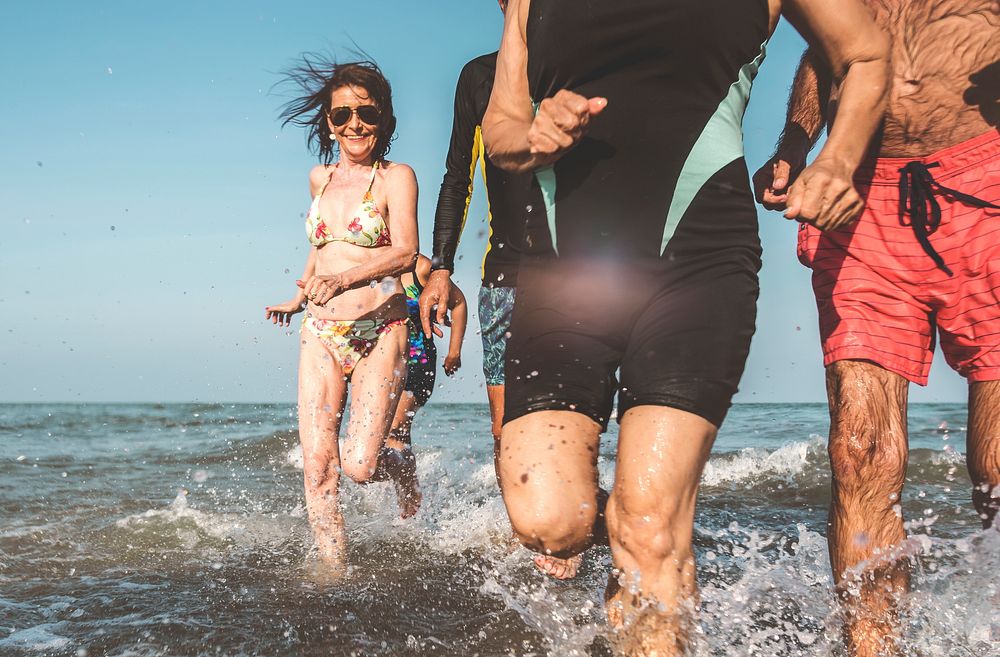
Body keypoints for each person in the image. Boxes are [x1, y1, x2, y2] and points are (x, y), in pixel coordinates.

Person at [482, 0, 889, 653]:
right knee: (551, 521)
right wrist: (531, 132)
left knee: (647, 526)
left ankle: (651, 531)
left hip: (698, 264)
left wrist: (837, 159)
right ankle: (641, 521)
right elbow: (500, 124)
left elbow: (864, 52)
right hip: (565, 272)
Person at [753, 2, 1000, 655]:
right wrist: (794, 144)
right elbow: (822, 51)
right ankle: (870, 646)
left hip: (988, 179)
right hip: (859, 197)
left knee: (998, 464)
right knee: (860, 449)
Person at [420, 0, 585, 580]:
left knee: (572, 418)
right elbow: (457, 175)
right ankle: (533, 545)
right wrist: (440, 265)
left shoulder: (585, 65)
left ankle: (573, 540)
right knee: (505, 428)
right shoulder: (479, 77)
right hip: (505, 277)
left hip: (582, 277)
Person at [265, 58, 420, 572]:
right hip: (321, 328)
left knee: (357, 466)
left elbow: (404, 252)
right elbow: (322, 244)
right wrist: (302, 291)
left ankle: (398, 462)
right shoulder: (319, 178)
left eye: (367, 114)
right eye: (343, 114)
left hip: (382, 327)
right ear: (329, 123)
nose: (355, 124)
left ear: (385, 120)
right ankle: (334, 569)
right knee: (318, 466)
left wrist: (344, 280)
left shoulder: (397, 178)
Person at [382, 253, 468, 518]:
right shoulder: (371, 266)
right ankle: (408, 496)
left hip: (418, 363)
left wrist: (454, 352)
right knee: (391, 435)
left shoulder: (421, 268)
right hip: (384, 363)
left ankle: (409, 498)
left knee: (396, 430)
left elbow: (459, 302)